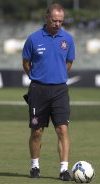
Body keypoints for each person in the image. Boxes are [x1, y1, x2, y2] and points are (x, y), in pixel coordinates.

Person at [22, 3, 75, 181]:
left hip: (60, 90)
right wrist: (37, 77)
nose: (57, 24)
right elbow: (26, 63)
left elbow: (68, 63)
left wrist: (56, 76)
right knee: (37, 131)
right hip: (38, 90)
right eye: (54, 20)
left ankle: (63, 170)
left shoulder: (68, 39)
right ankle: (35, 167)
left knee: (62, 129)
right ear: (47, 18)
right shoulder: (33, 39)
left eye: (60, 21)